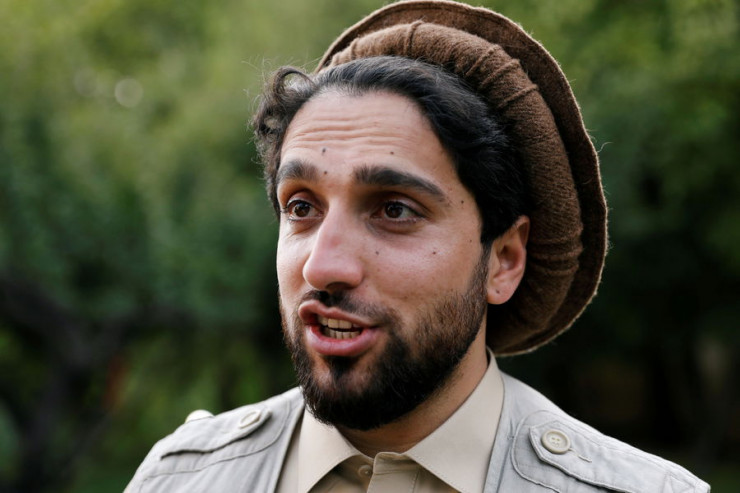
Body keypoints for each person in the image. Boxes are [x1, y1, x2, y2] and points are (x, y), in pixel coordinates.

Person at [127, 1, 709, 491]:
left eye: (394, 210)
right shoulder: (177, 480)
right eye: (301, 208)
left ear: (503, 260)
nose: (323, 266)